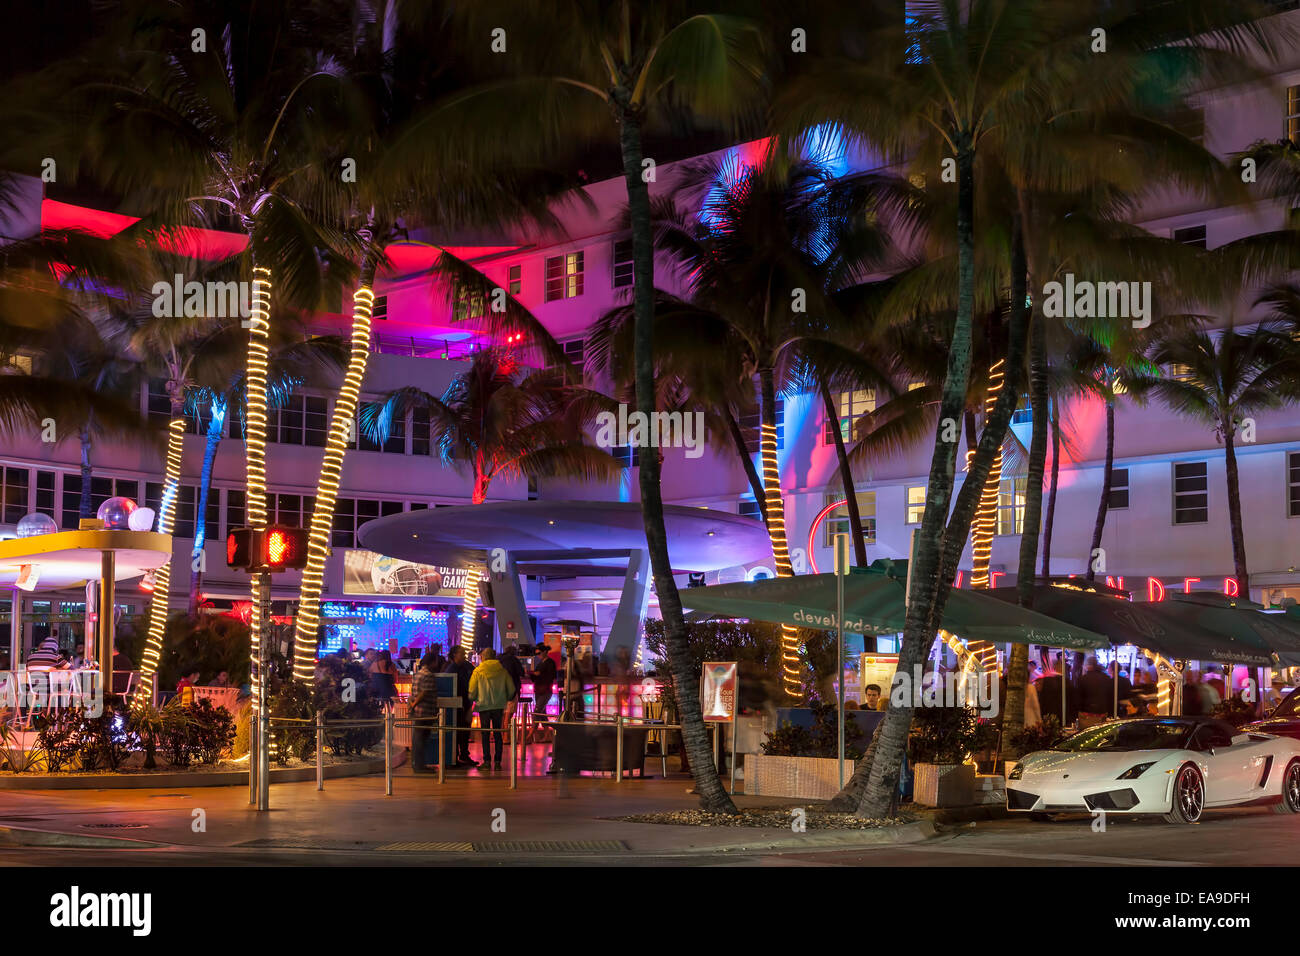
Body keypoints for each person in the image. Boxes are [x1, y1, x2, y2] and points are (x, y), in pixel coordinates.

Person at [468, 648, 516, 769]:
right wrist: (505, 698)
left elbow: (472, 692)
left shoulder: (478, 671)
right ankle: (498, 762)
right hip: (499, 706)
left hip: (483, 706)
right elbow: (511, 690)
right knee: (498, 733)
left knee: (485, 734)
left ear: (483, 657)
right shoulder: (502, 671)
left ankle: (487, 761)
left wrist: (472, 699)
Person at [442, 647, 477, 766]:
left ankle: (461, 755)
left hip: (464, 704)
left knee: (464, 730)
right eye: (462, 654)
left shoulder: (464, 667)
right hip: (457, 705)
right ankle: (456, 756)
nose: (464, 656)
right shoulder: (452, 669)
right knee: (459, 731)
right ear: (454, 655)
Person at [408, 652, 441, 773]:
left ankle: (416, 764)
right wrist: (415, 704)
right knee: (421, 739)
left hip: (418, 711)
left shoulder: (418, 674)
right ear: (432, 662)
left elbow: (414, 692)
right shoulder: (428, 675)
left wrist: (412, 705)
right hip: (425, 711)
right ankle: (419, 766)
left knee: (417, 739)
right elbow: (424, 693)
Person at [1077, 656, 1113, 727]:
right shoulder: (1106, 678)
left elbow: (1078, 698)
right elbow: (1110, 696)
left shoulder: (1083, 679)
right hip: (1102, 714)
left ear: (1088, 665)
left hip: (1086, 715)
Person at [529, 646, 558, 721]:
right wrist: (533, 674)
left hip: (545, 690)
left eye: (539, 653)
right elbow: (536, 675)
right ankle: (546, 731)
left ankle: (532, 732)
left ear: (545, 652)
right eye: (536, 654)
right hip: (539, 690)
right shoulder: (540, 663)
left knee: (537, 712)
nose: (538, 655)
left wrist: (535, 674)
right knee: (542, 713)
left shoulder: (550, 663)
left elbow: (551, 676)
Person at [499, 644, 526, 720]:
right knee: (509, 711)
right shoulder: (514, 660)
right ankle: (506, 731)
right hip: (512, 688)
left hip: (499, 690)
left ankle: (501, 730)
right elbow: (521, 673)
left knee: (502, 712)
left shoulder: (498, 660)